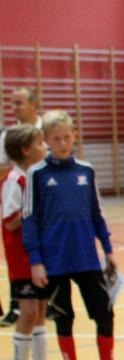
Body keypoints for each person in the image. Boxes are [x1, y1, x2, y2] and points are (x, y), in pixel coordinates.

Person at [22, 109, 124, 360]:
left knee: (105, 315)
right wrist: (35, 261)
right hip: (54, 262)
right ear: (46, 140)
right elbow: (30, 220)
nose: (63, 143)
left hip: (87, 258)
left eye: (67, 137)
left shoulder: (86, 171)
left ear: (75, 135)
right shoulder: (37, 175)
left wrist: (108, 250)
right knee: (65, 319)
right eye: (56, 139)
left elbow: (97, 213)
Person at [3, 124, 71, 360]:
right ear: (25, 150)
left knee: (42, 309)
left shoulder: (37, 177)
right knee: (29, 311)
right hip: (22, 257)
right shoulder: (14, 181)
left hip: (42, 255)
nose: (44, 148)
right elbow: (10, 222)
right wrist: (38, 211)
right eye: (39, 144)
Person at [1, 86, 43, 327]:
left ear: (34, 105)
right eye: (12, 103)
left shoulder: (48, 129)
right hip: (20, 212)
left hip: (43, 223)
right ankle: (15, 305)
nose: (14, 107)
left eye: (19, 103)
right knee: (17, 258)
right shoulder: (9, 136)